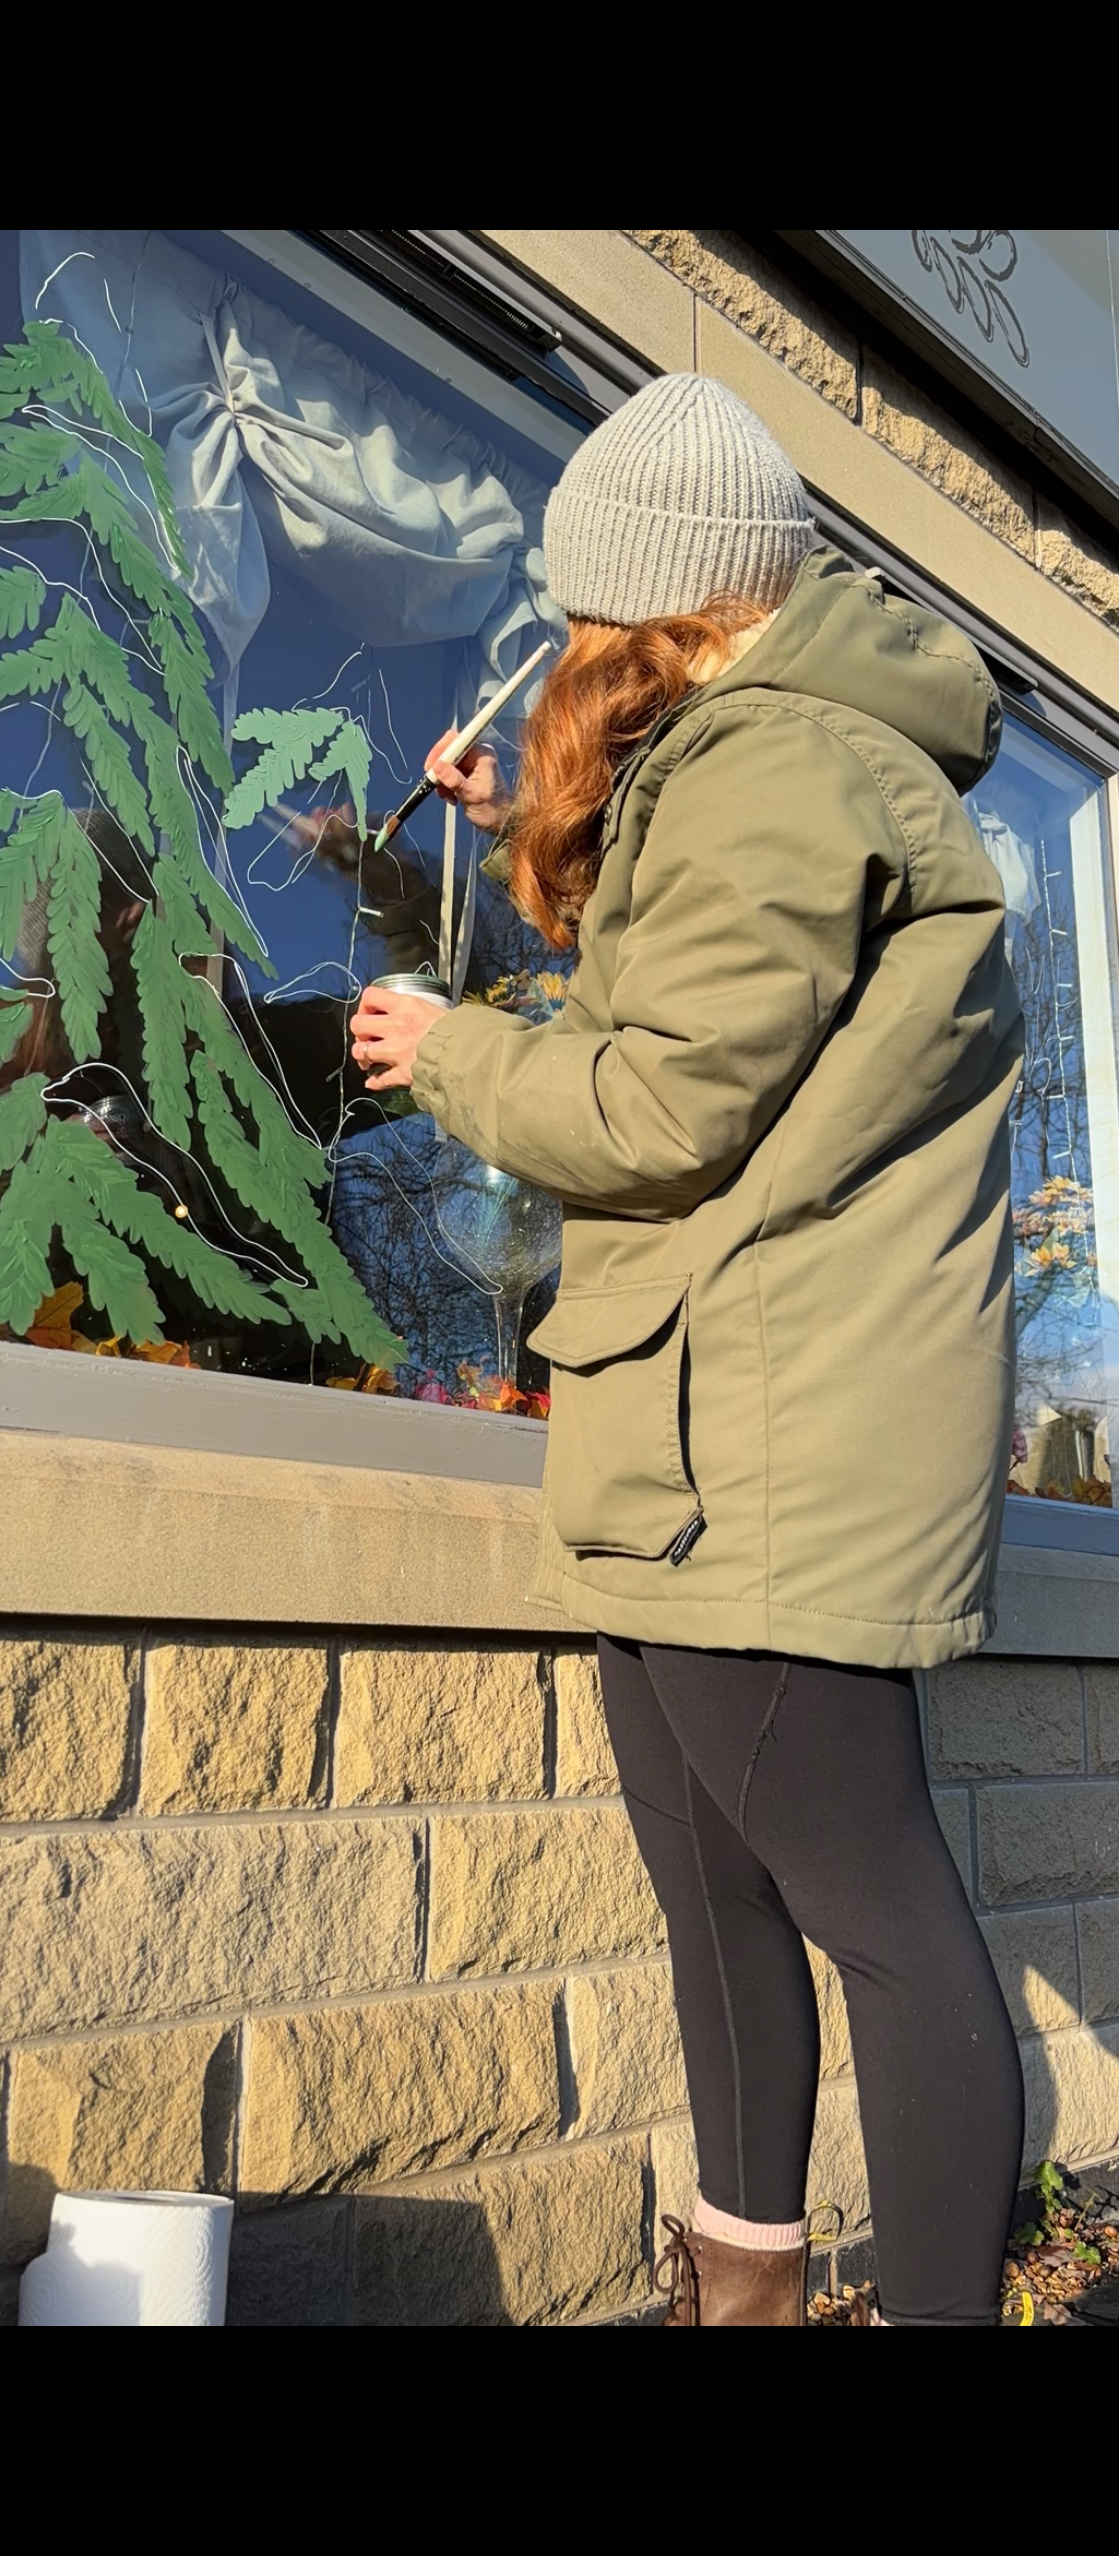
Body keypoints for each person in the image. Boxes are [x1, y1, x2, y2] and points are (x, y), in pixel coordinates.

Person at [350, 373, 1026, 2329]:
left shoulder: (782, 768)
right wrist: (542, 849)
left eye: (583, 624)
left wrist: (448, 1050)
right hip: (703, 1411)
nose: (556, 666)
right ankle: (739, 2289)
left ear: (664, 605)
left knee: (872, 1911)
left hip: (770, 1427)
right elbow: (694, 1004)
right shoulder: (751, 770)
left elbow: (656, 1108)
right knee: (719, 1896)